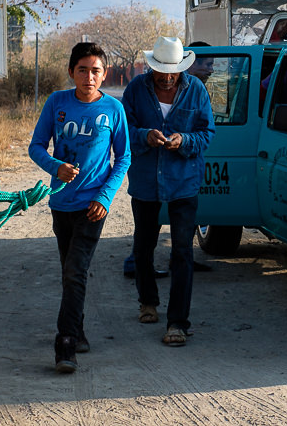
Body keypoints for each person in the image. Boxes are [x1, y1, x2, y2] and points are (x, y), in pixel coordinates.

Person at [28, 42, 131, 373]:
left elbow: (123, 157)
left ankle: (66, 343)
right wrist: (55, 166)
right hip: (61, 201)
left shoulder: (114, 110)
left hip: (92, 205)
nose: (89, 77)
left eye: (96, 71)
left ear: (105, 75)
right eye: (83, 70)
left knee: (75, 270)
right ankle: (80, 329)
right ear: (72, 72)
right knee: (70, 271)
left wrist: (105, 197)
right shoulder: (57, 102)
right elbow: (36, 146)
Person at [122, 36, 215, 347]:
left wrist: (184, 141)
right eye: (161, 71)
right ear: (152, 67)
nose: (166, 77)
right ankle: (148, 301)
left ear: (180, 69)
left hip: (184, 180)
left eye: (171, 72)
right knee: (143, 247)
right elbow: (124, 130)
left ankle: (177, 322)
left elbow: (206, 133)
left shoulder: (197, 90)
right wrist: (144, 135)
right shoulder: (136, 89)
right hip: (146, 179)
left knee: (182, 252)